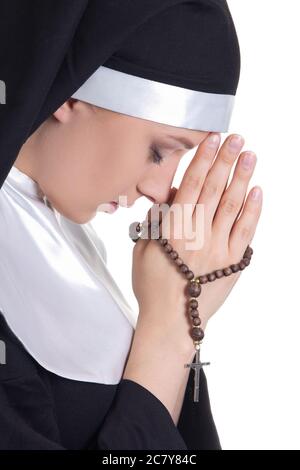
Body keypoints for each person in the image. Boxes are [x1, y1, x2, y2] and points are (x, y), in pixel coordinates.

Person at [0, 0, 263, 449]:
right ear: (72, 94)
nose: (161, 191)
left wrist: (177, 312)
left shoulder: (66, 238)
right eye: (159, 151)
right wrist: (169, 334)